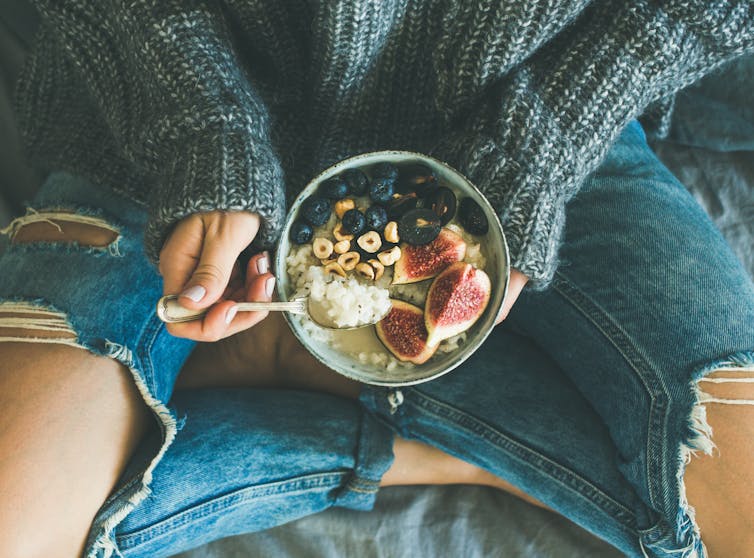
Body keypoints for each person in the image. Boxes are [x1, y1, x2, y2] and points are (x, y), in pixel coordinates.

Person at [1, 1, 753, 557]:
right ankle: (471, 441)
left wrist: (536, 153)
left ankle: (334, 394)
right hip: (171, 114)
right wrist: (201, 132)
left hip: (548, 126)